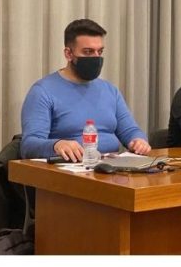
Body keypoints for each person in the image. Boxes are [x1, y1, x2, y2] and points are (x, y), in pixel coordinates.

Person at [19, 18, 151, 161]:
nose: (96, 58)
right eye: (88, 52)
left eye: (99, 51)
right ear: (68, 54)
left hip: (112, 169)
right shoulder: (42, 91)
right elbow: (29, 145)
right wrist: (56, 145)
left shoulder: (110, 90)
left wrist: (138, 141)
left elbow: (130, 131)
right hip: (69, 171)